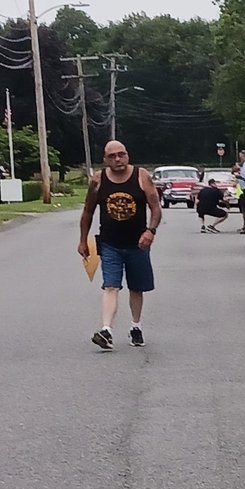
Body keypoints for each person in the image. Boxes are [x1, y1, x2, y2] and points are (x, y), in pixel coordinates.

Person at [78, 138, 160, 350]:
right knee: (110, 286)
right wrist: (82, 240)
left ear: (127, 155)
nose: (118, 159)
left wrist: (150, 231)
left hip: (138, 243)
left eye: (121, 154)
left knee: (136, 287)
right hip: (109, 243)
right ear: (105, 160)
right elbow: (88, 212)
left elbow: (155, 207)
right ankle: (106, 330)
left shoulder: (141, 176)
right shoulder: (98, 180)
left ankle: (136, 326)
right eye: (112, 156)